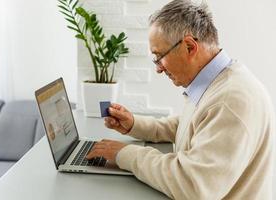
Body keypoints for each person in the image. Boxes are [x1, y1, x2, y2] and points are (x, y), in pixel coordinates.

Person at [86, 0, 275, 199]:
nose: (158, 68)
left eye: (159, 57)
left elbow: (192, 185)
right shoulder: (217, 83)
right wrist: (134, 124)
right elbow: (192, 125)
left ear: (189, 47)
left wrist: (124, 154)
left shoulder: (230, 101)